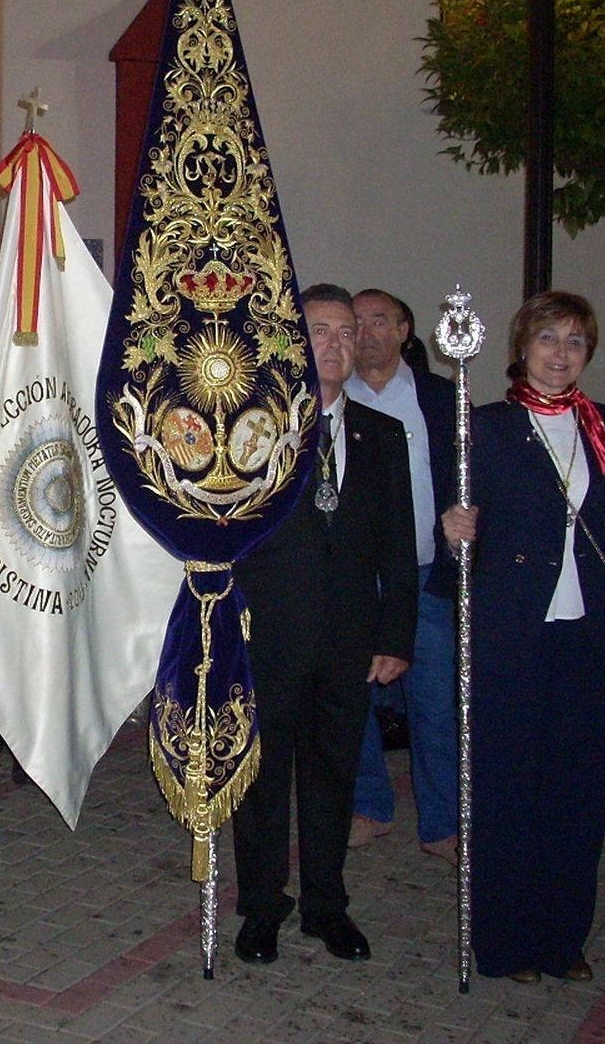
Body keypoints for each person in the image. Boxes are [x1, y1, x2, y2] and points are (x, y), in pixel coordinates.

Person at [442, 290, 605, 983]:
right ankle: (505, 943)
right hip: (510, 633)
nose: (560, 354)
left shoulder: (603, 425)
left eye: (575, 342)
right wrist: (455, 530)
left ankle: (561, 937)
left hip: (587, 636)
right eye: (548, 339)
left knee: (576, 794)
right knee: (506, 791)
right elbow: (460, 526)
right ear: (522, 348)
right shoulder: (485, 426)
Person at [230, 283, 417, 966]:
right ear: (292, 340)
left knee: (334, 776)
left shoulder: (383, 437)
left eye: (345, 332)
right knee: (262, 780)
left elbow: (400, 545)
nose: (335, 344)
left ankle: (326, 906)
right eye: (319, 330)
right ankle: (261, 909)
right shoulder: (250, 432)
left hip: (349, 641)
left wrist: (396, 636)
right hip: (269, 635)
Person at [345, 288, 460, 862]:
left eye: (379, 321)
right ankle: (370, 806)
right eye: (356, 322)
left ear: (405, 330)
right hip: (357, 585)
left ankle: (442, 824)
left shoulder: (444, 400)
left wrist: (468, 517)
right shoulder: (333, 400)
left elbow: (472, 479)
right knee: (354, 701)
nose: (366, 332)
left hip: (425, 579)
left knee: (435, 706)